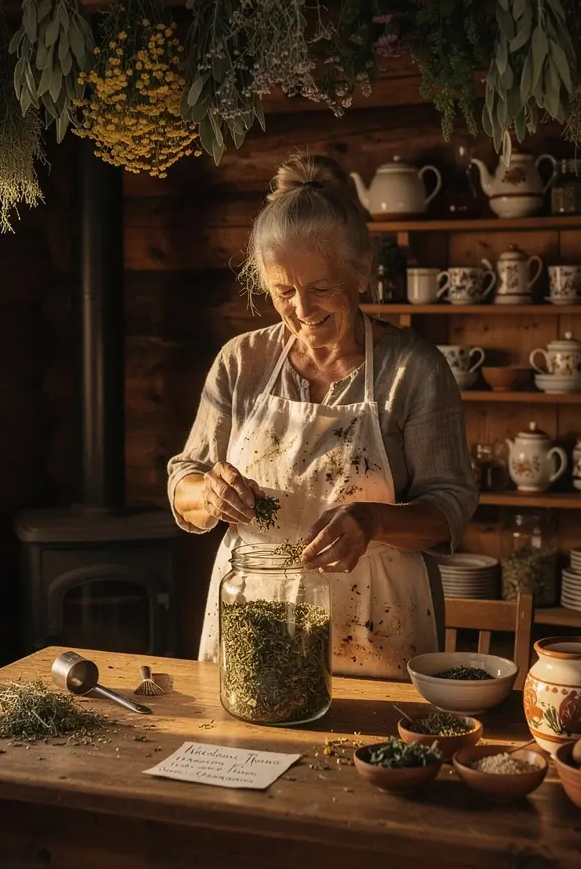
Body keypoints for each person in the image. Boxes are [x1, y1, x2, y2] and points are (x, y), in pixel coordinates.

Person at [167, 152, 477, 679]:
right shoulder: (242, 362)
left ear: (360, 275)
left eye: (320, 288)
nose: (302, 309)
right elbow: (183, 483)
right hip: (254, 614)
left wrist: (373, 520)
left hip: (376, 622)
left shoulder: (412, 370)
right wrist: (208, 493)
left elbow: (449, 510)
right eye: (283, 291)